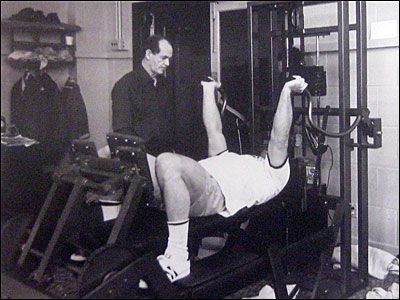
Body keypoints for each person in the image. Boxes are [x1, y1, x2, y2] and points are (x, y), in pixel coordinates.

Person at [153, 75, 308, 282]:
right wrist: (209, 90)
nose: (264, 146)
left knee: (166, 161)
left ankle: (178, 256)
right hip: (184, 188)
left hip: (213, 192)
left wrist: (287, 91)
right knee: (126, 156)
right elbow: (214, 129)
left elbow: (279, 138)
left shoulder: (274, 174)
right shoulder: (231, 158)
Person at [111, 34, 176, 157]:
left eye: (169, 59)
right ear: (148, 54)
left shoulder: (164, 84)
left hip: (165, 157)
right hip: (141, 158)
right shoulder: (125, 86)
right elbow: (123, 132)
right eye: (163, 58)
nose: (167, 63)